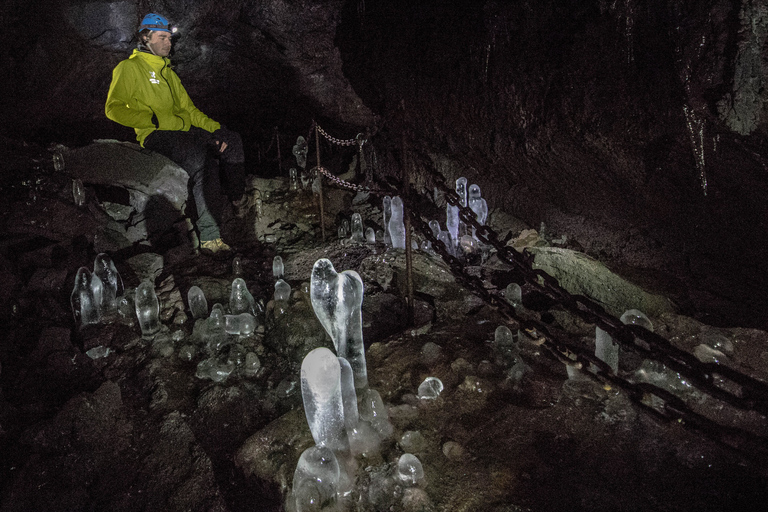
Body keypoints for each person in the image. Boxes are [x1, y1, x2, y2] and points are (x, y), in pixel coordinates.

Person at [105, 13, 252, 254]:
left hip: (185, 131)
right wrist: (149, 118)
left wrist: (215, 129)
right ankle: (210, 237)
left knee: (232, 139)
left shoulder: (170, 74)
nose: (168, 43)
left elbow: (189, 111)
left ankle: (237, 200)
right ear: (145, 38)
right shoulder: (129, 68)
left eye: (170, 39)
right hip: (156, 135)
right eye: (162, 38)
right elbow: (113, 108)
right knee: (203, 162)